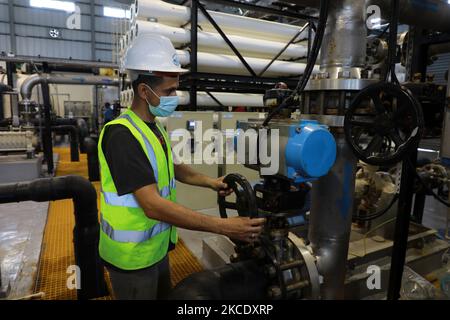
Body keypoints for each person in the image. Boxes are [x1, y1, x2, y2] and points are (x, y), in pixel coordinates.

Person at [98, 34, 265, 300]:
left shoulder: (153, 127)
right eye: (168, 91)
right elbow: (152, 205)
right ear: (144, 91)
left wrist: (210, 182)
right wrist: (224, 227)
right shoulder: (122, 135)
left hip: (156, 248)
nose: (175, 96)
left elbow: (172, 167)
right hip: (132, 259)